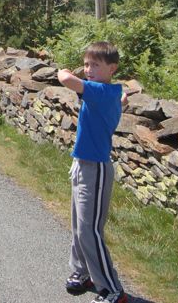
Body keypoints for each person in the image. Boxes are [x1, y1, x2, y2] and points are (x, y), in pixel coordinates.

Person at [57, 41, 129, 303]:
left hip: (95, 170)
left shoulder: (100, 91)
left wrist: (63, 71)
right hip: (81, 163)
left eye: (95, 65)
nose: (88, 69)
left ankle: (112, 290)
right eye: (86, 64)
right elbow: (117, 96)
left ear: (113, 68)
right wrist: (119, 94)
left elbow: (66, 79)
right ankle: (81, 273)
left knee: (90, 230)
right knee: (79, 225)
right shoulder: (106, 92)